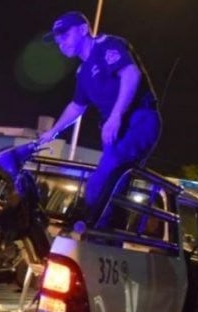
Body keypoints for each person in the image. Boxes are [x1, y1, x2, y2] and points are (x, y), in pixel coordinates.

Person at [38, 11, 162, 226]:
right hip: (116, 131)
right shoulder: (82, 72)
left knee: (100, 182)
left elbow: (131, 74)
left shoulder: (107, 45)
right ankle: (110, 242)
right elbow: (76, 106)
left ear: (83, 30)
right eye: (57, 39)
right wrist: (53, 131)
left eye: (64, 35)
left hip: (138, 121)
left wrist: (116, 116)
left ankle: (90, 229)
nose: (60, 42)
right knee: (115, 185)